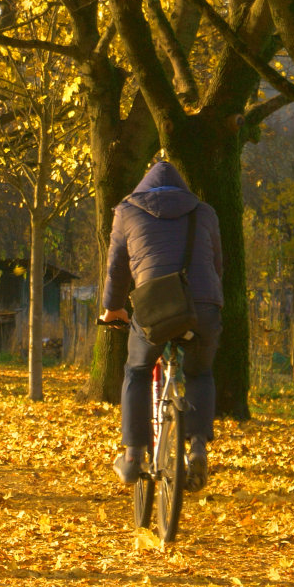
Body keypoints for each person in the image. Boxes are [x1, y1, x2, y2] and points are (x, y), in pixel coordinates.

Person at [98, 160, 224, 490]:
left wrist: (113, 309)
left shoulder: (127, 211)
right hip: (204, 307)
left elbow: (117, 269)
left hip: (155, 306)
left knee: (137, 370)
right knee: (199, 372)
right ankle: (197, 449)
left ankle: (133, 457)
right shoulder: (205, 211)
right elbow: (216, 265)